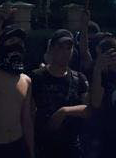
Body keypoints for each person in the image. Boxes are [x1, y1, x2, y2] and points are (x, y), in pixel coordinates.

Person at [0, 8, 35, 157]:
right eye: (11, 40)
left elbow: (26, 120)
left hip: (17, 146)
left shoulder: (26, 80)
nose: (17, 44)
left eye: (19, 41)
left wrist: (31, 151)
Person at [31, 29, 89, 158]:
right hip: (44, 146)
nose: (65, 52)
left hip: (71, 147)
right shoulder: (37, 77)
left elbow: (88, 109)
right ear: (51, 49)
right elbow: (29, 113)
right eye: (61, 47)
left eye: (69, 48)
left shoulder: (79, 78)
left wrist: (64, 111)